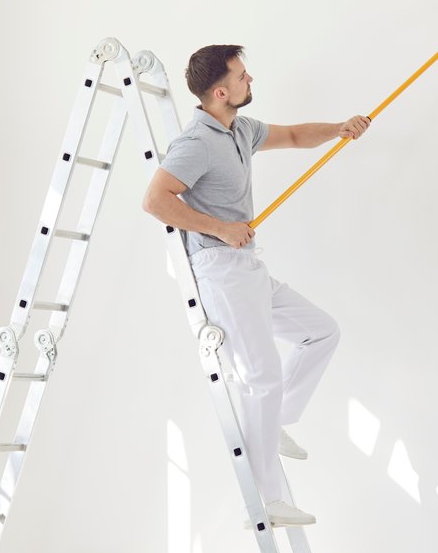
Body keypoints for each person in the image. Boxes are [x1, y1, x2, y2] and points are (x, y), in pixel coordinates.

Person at [143, 44, 369, 527]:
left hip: (247, 266)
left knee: (321, 331)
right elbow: (155, 200)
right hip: (220, 268)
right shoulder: (195, 143)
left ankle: (279, 420)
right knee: (261, 377)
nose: (251, 81)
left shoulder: (239, 129)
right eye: (243, 77)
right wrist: (221, 228)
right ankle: (266, 502)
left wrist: (338, 130)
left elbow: (290, 135)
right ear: (220, 91)